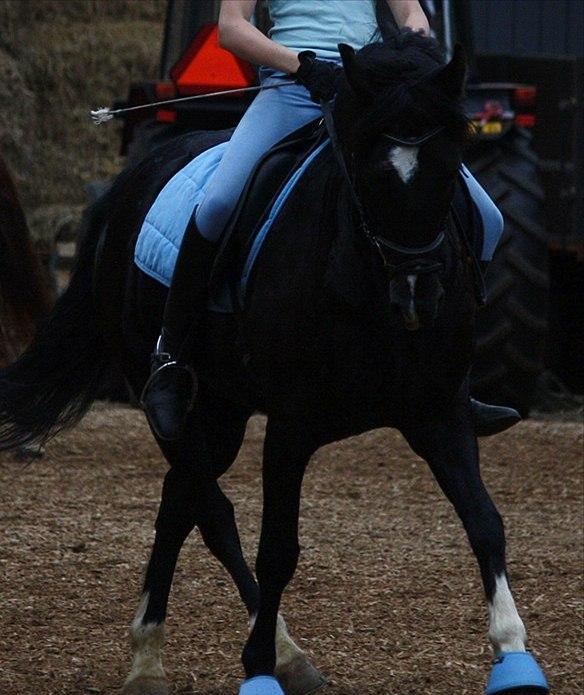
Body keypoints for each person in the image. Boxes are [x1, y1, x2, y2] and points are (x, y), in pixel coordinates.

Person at [141, 0, 519, 441]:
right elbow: (231, 29)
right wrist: (303, 67)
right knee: (218, 204)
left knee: (487, 218)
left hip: (373, 96)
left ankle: (455, 379)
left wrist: (407, 56)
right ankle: (170, 359)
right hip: (291, 92)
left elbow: (413, 16)